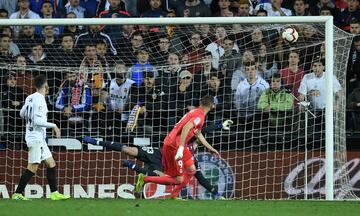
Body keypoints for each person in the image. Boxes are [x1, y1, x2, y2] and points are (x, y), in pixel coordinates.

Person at [82, 120, 233, 199]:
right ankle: (97, 142)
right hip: (160, 154)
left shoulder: (192, 159)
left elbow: (200, 178)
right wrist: (219, 125)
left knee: (158, 176)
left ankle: (135, 172)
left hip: (165, 166)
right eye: (198, 139)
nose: (198, 140)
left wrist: (215, 192)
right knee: (129, 150)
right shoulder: (186, 141)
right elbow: (201, 130)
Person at [134, 95, 220, 199]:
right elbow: (186, 128)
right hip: (174, 145)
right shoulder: (199, 116)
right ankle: (145, 179)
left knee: (192, 170)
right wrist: (180, 148)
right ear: (212, 106)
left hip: (177, 144)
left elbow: (197, 134)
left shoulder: (196, 112)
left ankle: (173, 195)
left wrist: (210, 148)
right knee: (178, 179)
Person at [12, 74, 70, 201]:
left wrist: (30, 117)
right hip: (35, 138)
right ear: (46, 86)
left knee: (51, 163)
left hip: (37, 137)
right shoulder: (40, 99)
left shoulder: (30, 97)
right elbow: (38, 121)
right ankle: (17, 194)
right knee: (33, 167)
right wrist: (54, 125)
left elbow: (21, 114)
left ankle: (54, 193)